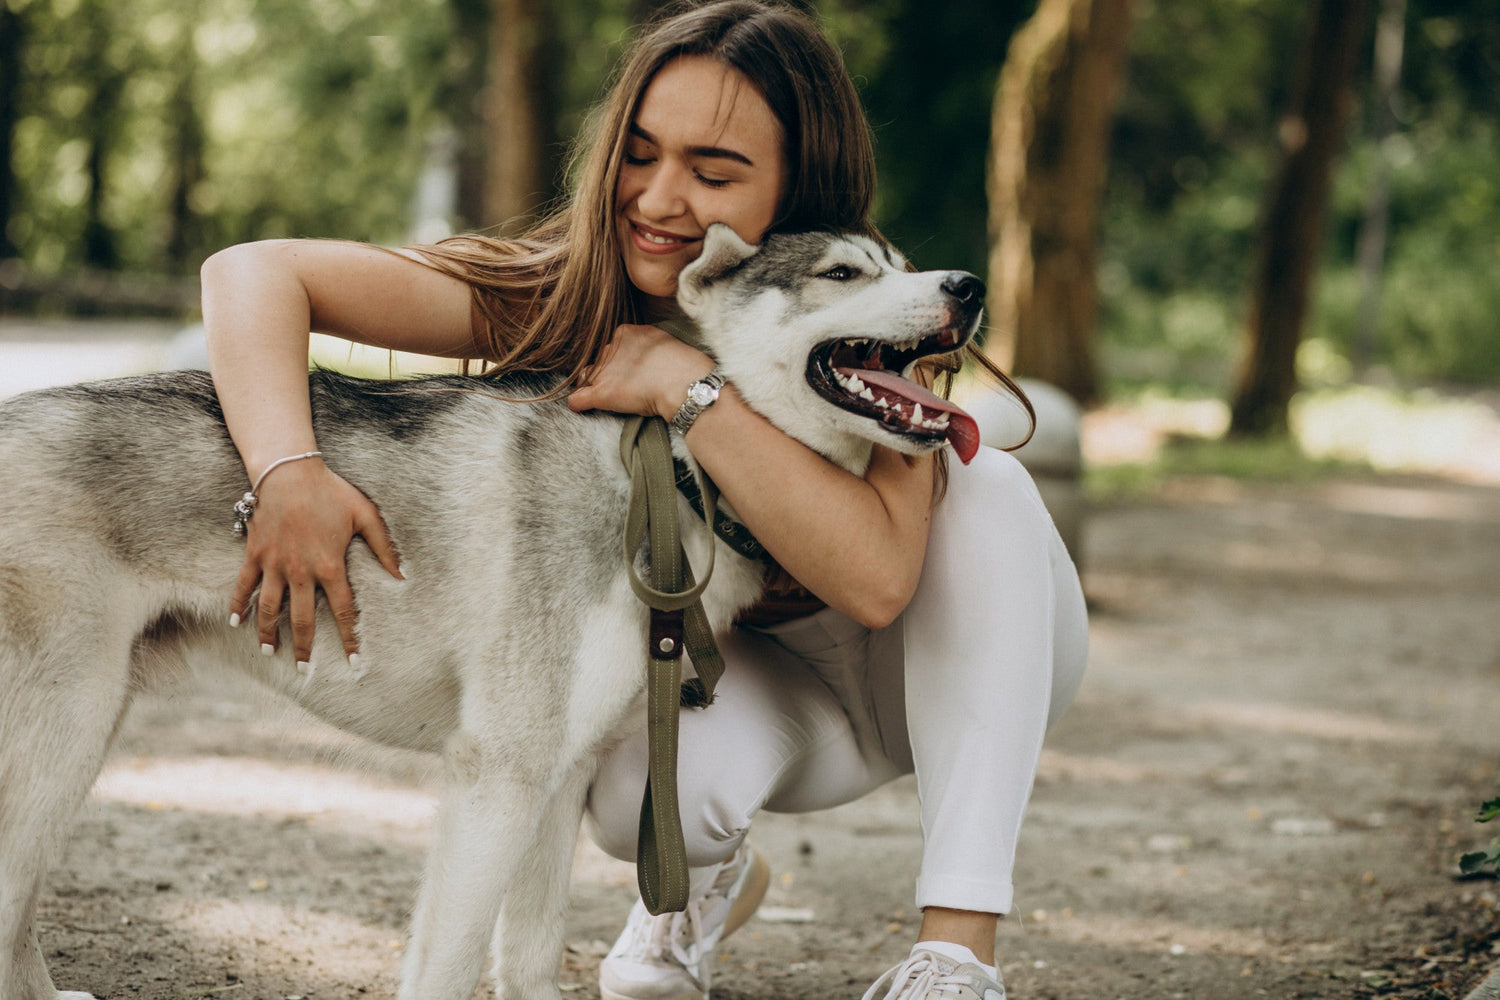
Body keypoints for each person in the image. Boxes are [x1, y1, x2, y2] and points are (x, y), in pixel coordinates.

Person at [199, 2, 1088, 998]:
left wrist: (685, 385)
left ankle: (957, 953)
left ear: (798, 191)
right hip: (759, 680)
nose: (661, 199)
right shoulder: (567, 294)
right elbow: (252, 274)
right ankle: (701, 882)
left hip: (938, 678)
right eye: (640, 153)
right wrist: (287, 472)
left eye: (713, 174)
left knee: (992, 487)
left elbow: (879, 583)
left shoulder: (865, 322)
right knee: (631, 794)